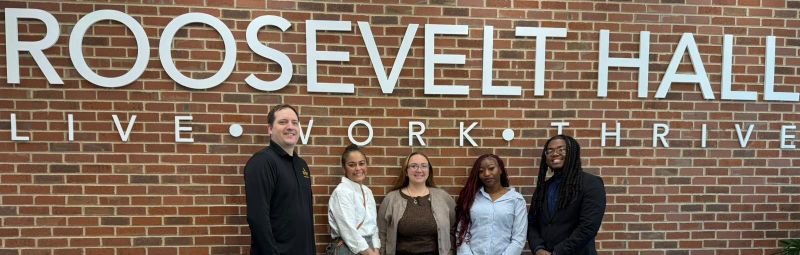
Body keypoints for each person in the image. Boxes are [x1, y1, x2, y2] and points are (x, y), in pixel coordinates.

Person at [244, 104, 315, 254]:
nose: (290, 127)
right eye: (283, 122)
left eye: (294, 123)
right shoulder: (262, 162)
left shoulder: (301, 165)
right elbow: (257, 218)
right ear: (270, 129)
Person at [528, 135, 606, 255]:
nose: (555, 154)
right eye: (550, 151)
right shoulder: (543, 188)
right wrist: (538, 248)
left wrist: (557, 252)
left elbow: (588, 227)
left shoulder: (591, 183)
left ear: (573, 153)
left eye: (561, 149)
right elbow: (532, 224)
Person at [378, 152, 456, 255]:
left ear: (429, 170)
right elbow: (382, 233)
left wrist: (450, 252)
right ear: (406, 171)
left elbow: (452, 230)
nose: (419, 170)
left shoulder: (443, 198)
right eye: (414, 166)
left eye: (424, 166)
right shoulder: (391, 199)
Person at [454, 154, 527, 255]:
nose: (487, 173)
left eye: (491, 168)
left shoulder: (516, 199)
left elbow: (519, 238)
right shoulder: (471, 198)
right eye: (481, 171)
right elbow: (461, 234)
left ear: (500, 170)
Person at [327, 144, 380, 255]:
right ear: (344, 168)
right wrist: (370, 253)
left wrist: (376, 248)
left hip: (369, 247)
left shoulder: (367, 191)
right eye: (352, 165)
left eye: (361, 163)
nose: (358, 168)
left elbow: (373, 226)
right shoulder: (341, 191)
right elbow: (348, 230)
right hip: (349, 248)